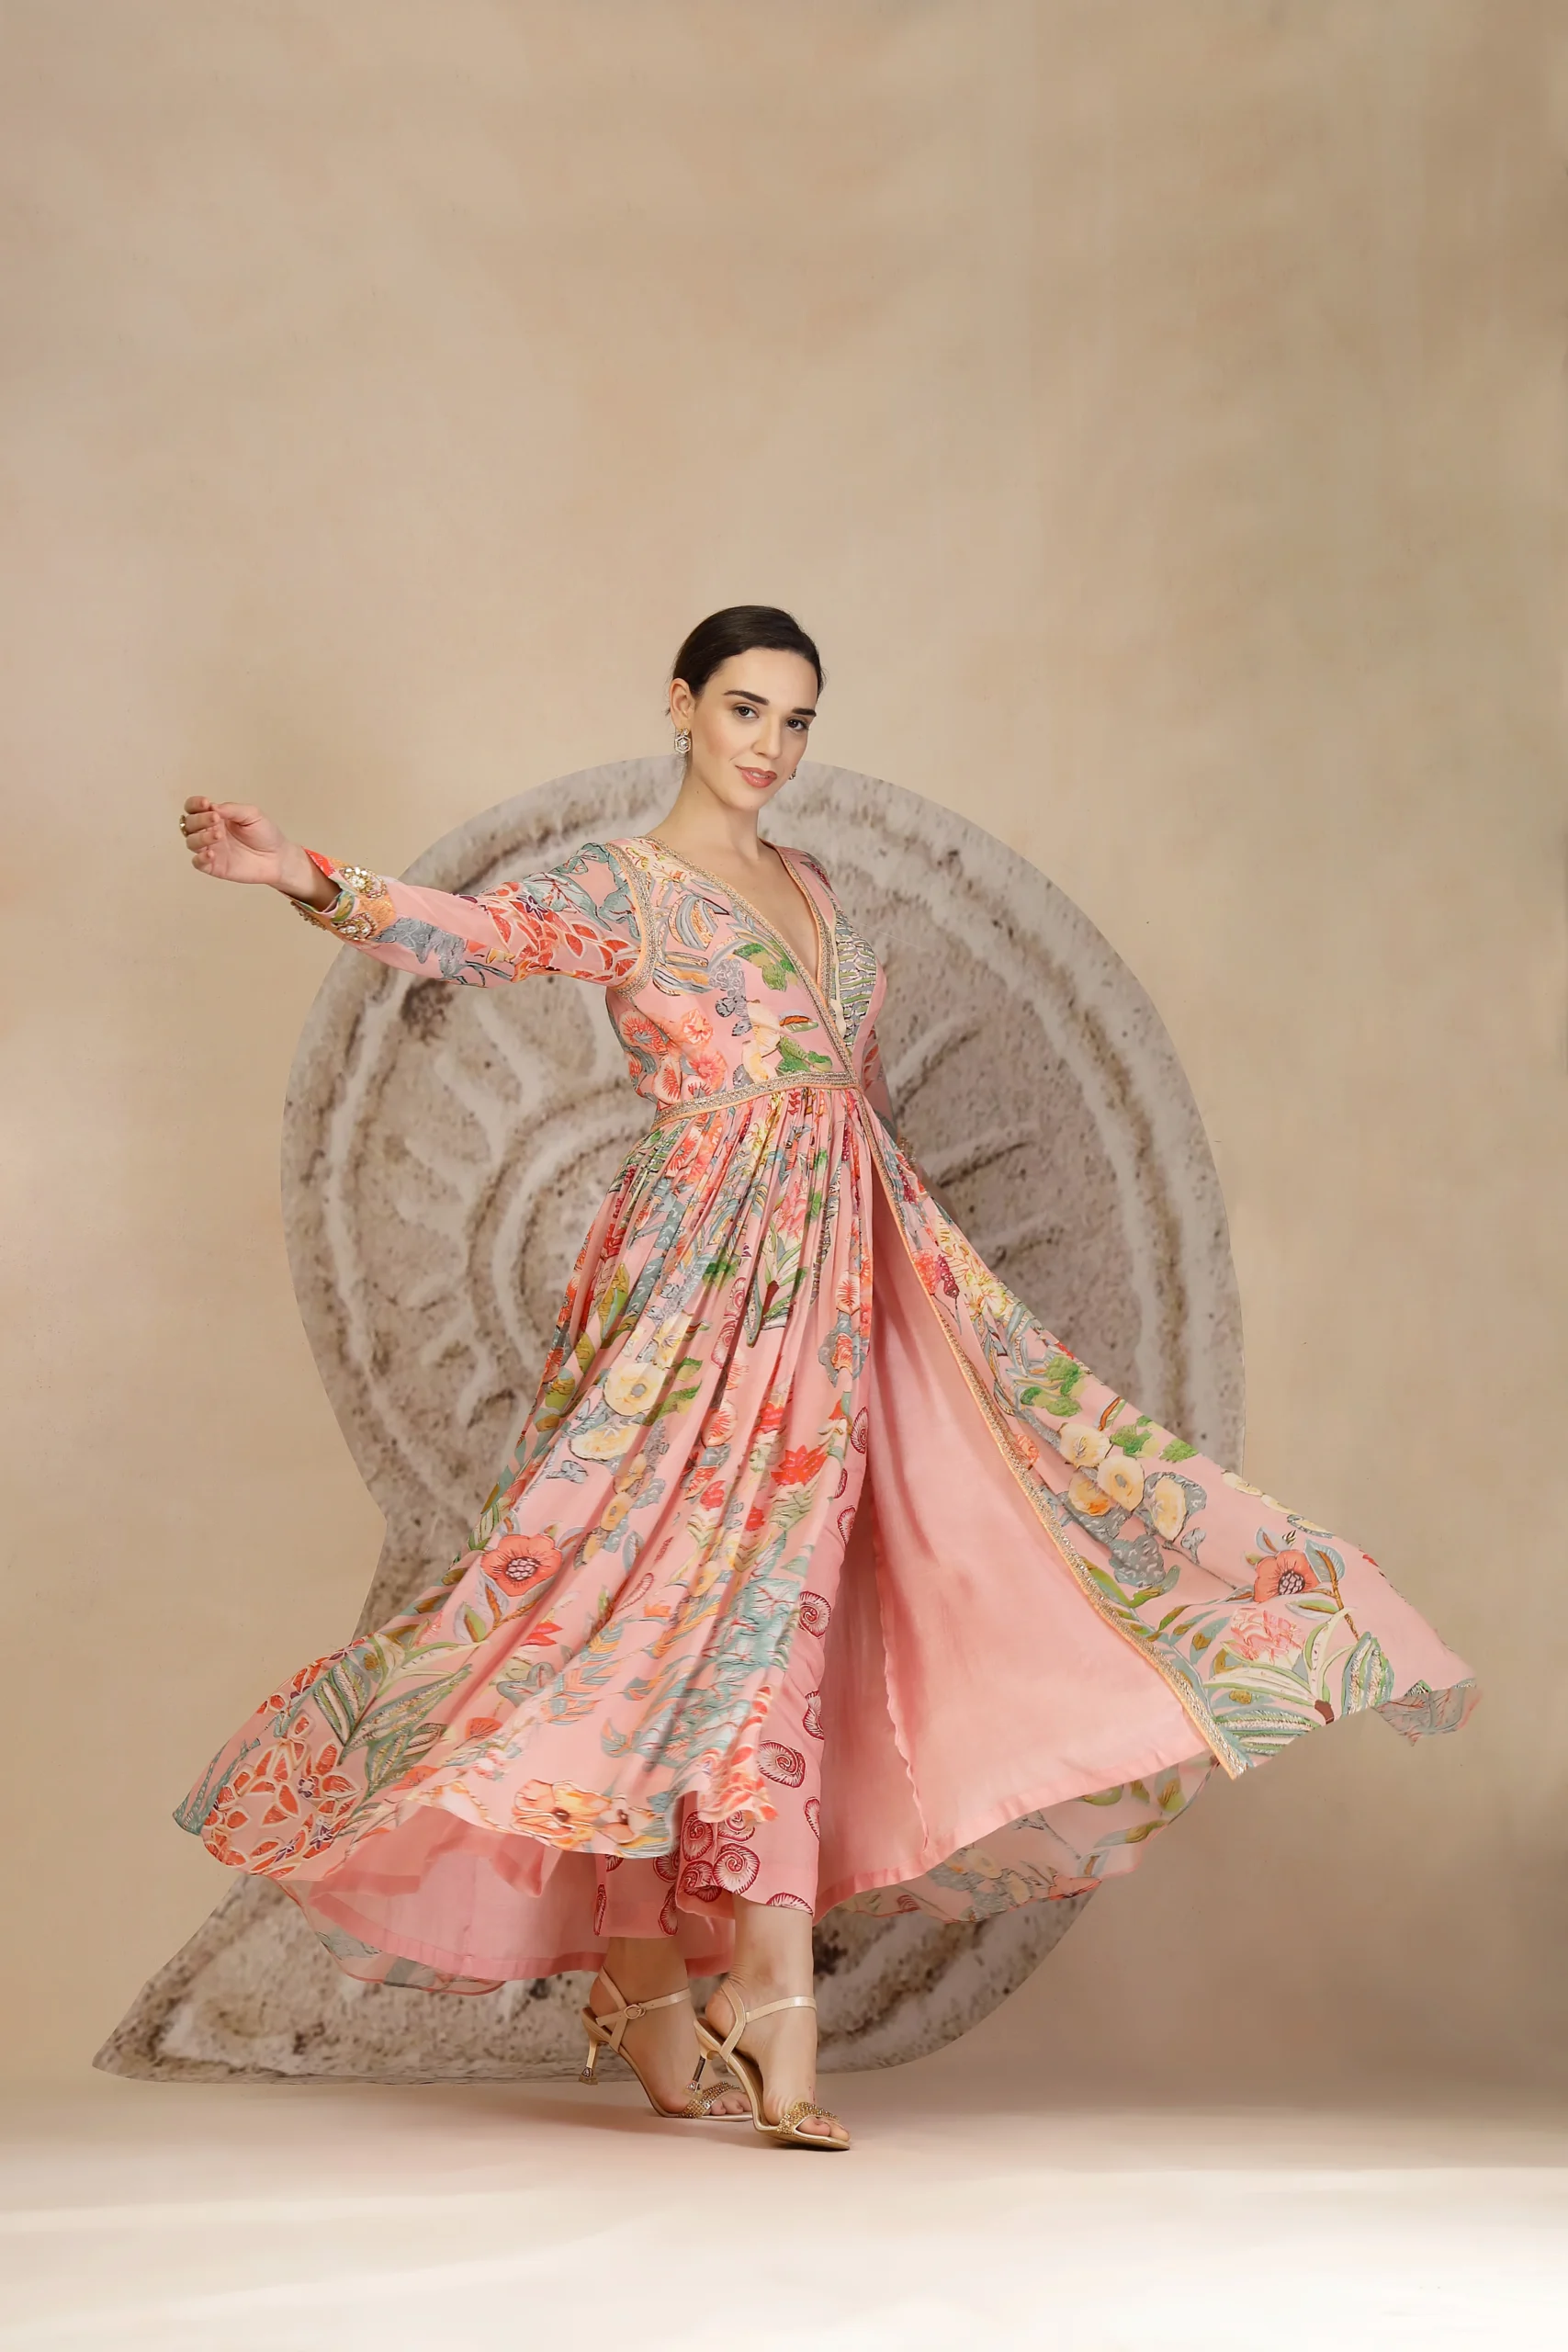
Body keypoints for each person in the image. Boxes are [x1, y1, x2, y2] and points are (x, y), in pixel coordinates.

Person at [176, 604, 1476, 2153]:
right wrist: (298, 873)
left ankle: (736, 1981)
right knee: (644, 1608)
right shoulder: (627, 884)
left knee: (791, 1605)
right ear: (679, 706)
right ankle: (659, 1962)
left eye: (795, 721)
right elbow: (481, 936)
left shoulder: (810, 885)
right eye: (743, 709)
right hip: (695, 1290)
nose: (770, 747)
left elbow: (834, 1095)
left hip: (846, 1267)